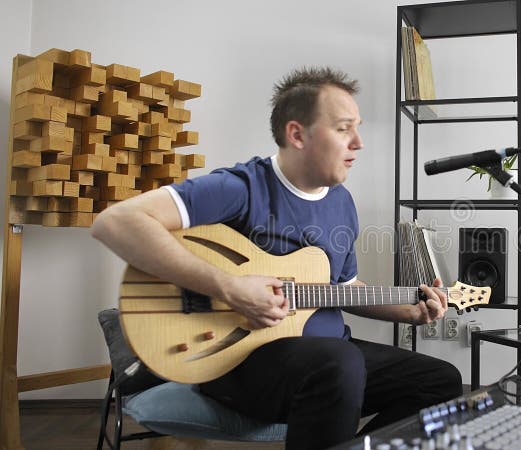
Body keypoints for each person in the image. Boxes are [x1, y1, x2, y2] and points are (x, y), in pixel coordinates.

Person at [91, 67, 463, 450]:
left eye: (358, 127)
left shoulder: (341, 202)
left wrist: (411, 310)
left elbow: (346, 289)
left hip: (331, 364)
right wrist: (230, 288)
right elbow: (115, 222)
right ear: (297, 134)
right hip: (240, 364)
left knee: (440, 381)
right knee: (339, 363)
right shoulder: (241, 187)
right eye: (343, 128)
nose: (359, 142)